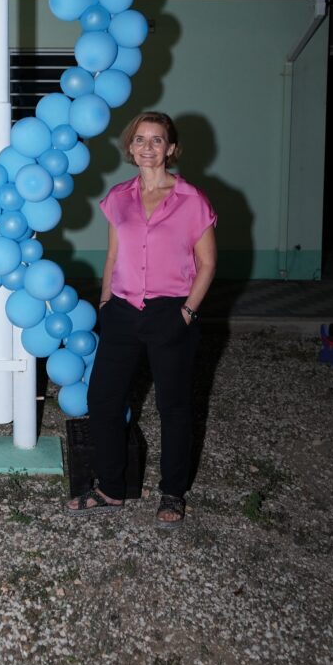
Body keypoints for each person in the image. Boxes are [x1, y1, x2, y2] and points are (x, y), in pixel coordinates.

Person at [67, 112, 217, 528]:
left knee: (174, 406)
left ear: (171, 148)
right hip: (122, 310)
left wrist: (187, 312)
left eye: (157, 140)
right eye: (139, 140)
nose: (147, 147)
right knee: (103, 400)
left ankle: (173, 491)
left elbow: (207, 264)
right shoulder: (119, 197)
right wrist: (105, 303)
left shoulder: (192, 200)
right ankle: (111, 488)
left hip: (171, 312)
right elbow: (113, 256)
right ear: (130, 149)